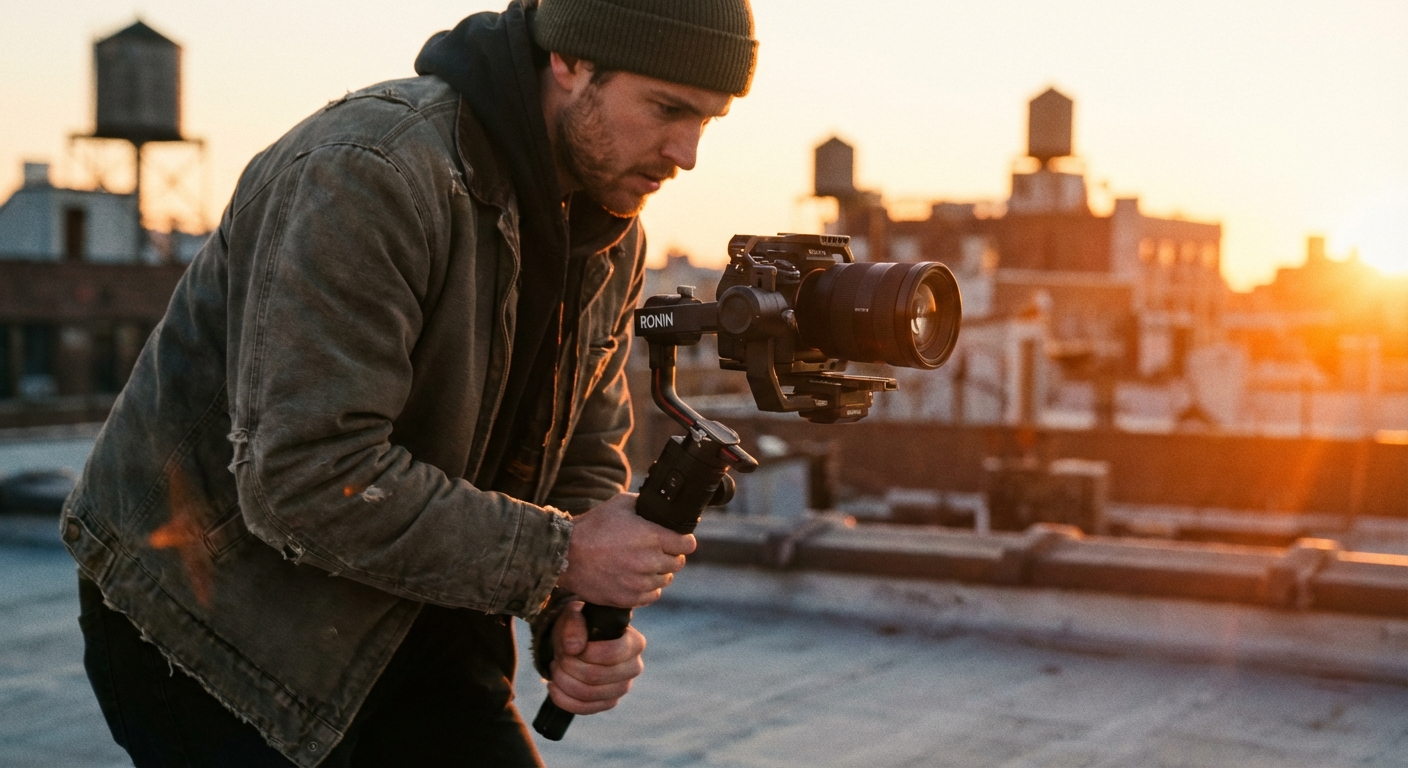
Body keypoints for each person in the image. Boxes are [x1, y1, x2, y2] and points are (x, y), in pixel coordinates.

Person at [61, 0, 757, 765]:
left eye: (710, 122)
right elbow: (305, 477)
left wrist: (571, 605)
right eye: (667, 109)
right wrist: (561, 556)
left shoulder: (609, 226)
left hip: (420, 603)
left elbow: (580, 447)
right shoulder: (370, 171)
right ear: (571, 62)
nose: (687, 153)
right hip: (218, 617)